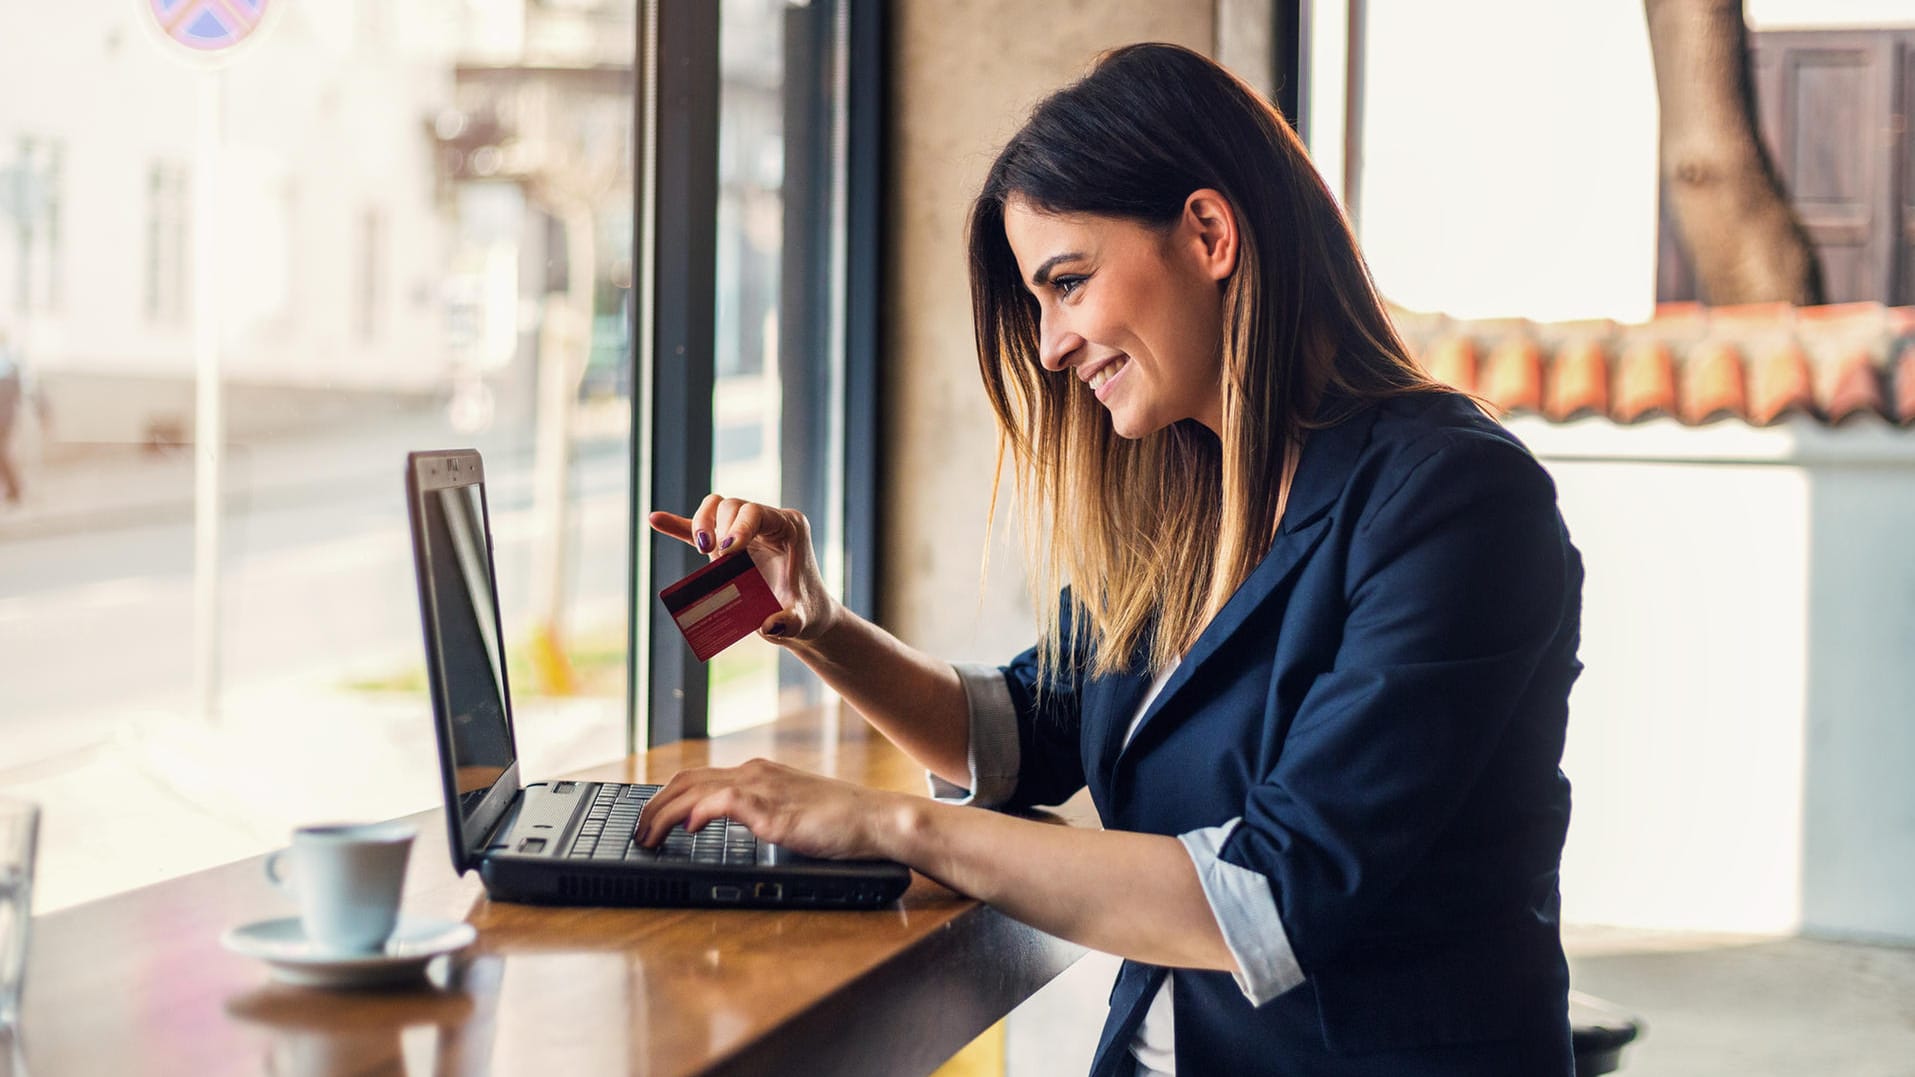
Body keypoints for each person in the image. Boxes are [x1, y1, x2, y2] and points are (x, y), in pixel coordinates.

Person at [638, 42, 1583, 1077]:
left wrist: (891, 825)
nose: (1048, 346)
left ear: (1209, 234)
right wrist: (819, 626)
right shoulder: (1196, 494)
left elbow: (1267, 899)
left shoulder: (1456, 503)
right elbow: (1020, 732)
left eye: (1068, 283)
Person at [0, 325, 27, 505]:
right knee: (4, 453)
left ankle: (15, 489)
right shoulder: (12, 364)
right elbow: (18, 394)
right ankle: (14, 490)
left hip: (4, 418)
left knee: (4, 452)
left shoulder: (8, 364)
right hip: (8, 417)